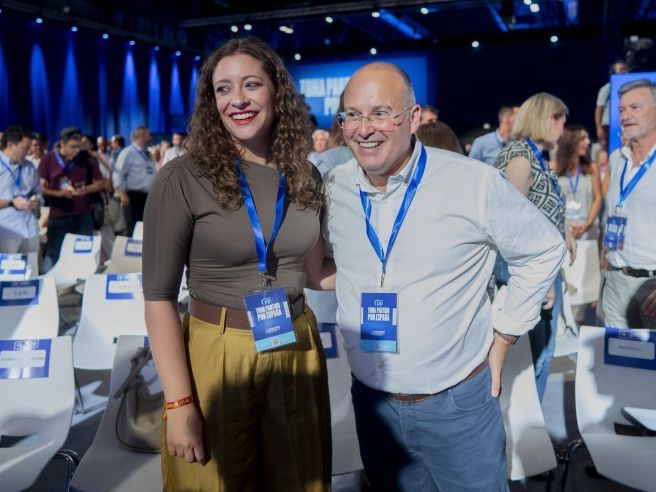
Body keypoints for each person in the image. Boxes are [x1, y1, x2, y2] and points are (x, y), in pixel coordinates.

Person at [312, 62, 565, 491]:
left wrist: (505, 334)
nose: (363, 128)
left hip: (457, 407)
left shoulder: (471, 183)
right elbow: (342, 265)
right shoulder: (335, 187)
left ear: (413, 118)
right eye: (351, 115)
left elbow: (544, 249)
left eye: (379, 113)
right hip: (374, 406)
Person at [142, 37, 331, 491]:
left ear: (276, 91)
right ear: (212, 102)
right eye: (223, 89)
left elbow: (316, 273)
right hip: (216, 350)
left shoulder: (305, 175)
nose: (238, 99)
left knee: (300, 480)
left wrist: (402, 271)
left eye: (251, 84)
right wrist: (179, 403)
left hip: (295, 344)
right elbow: (158, 298)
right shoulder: (183, 176)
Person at [494, 92, 576, 401]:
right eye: (561, 122)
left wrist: (564, 230)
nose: (563, 130)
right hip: (530, 274)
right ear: (547, 120)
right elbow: (513, 228)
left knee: (541, 355)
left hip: (542, 271)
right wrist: (540, 282)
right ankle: (528, 427)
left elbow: (537, 212)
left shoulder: (533, 155)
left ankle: (533, 425)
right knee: (535, 359)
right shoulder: (520, 156)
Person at [601, 79, 656, 329]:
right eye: (621, 110)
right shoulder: (617, 159)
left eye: (635, 107)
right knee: (615, 354)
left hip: (651, 288)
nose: (625, 116)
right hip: (614, 280)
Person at [38, 127, 104, 268]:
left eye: (79, 146)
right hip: (58, 216)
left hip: (83, 216)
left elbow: (101, 183)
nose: (77, 150)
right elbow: (41, 188)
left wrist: (86, 189)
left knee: (84, 256)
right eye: (73, 147)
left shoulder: (88, 158)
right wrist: (59, 194)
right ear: (62, 143)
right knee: (55, 255)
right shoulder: (48, 159)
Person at [554, 126, 603, 240]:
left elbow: (598, 198)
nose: (587, 142)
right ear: (570, 141)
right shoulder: (554, 166)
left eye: (587, 138)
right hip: (561, 231)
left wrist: (588, 224)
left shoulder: (591, 168)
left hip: (587, 229)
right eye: (582, 139)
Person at [0, 126, 41, 255]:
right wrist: (11, 202)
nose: (29, 152)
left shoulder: (29, 167)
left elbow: (37, 191)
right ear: (10, 145)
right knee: (8, 268)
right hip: (7, 232)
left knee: (32, 266)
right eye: (25, 148)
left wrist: (36, 200)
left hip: (30, 229)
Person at [113, 126, 156, 235]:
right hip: (133, 197)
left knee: (146, 229)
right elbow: (118, 174)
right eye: (149, 135)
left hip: (148, 197)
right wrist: (123, 195)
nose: (151, 137)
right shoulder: (127, 152)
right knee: (134, 228)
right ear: (141, 135)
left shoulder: (147, 153)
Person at [594, 60, 629, 146]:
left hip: (622, 124)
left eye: (625, 69)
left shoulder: (630, 88)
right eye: (621, 70)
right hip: (608, 125)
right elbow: (599, 109)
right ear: (613, 73)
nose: (624, 72)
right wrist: (599, 128)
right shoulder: (607, 88)